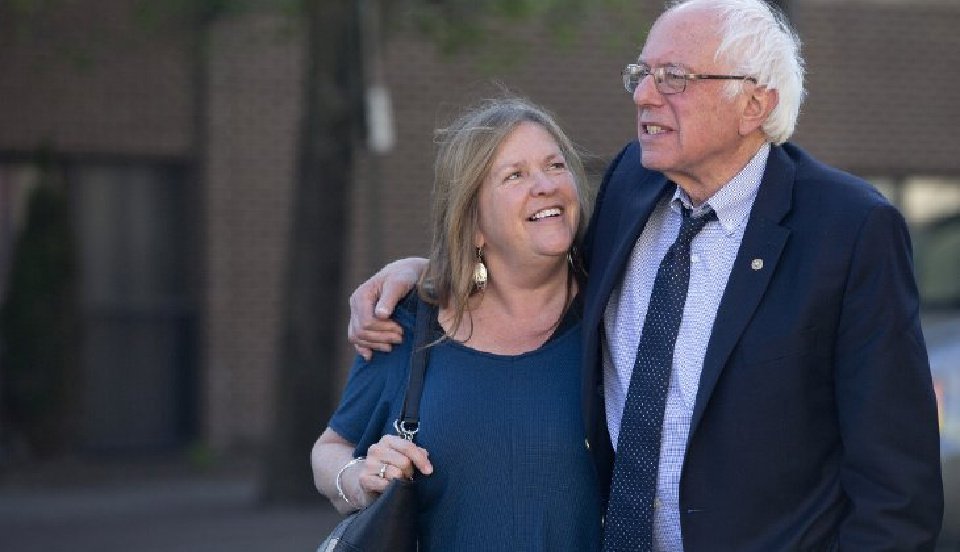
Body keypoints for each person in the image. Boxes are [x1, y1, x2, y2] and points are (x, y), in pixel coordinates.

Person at [346, 0, 945, 550]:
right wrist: (429, 272)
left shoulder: (849, 228)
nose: (645, 97)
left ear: (755, 104)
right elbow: (531, 248)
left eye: (675, 79)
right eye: (643, 74)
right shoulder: (634, 182)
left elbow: (898, 480)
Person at [311, 97, 602, 551]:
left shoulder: (617, 317)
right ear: (474, 223)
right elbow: (328, 450)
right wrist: (360, 477)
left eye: (555, 165)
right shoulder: (409, 322)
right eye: (515, 175)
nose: (544, 185)